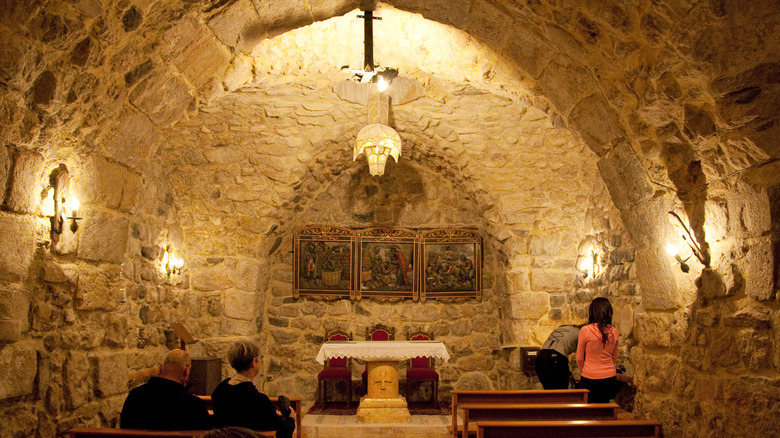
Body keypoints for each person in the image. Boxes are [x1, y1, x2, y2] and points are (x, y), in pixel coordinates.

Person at [211, 340, 295, 438]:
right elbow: (282, 431)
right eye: (260, 358)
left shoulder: (219, 392)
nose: (261, 361)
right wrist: (290, 420)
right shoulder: (259, 401)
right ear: (253, 362)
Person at [120, 349, 211, 430]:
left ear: (160, 368)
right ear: (186, 371)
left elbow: (124, 427)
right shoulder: (194, 405)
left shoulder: (135, 396)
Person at [576, 297, 620, 403]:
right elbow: (614, 357)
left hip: (589, 376)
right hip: (609, 377)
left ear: (592, 311)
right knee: (605, 409)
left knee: (590, 411)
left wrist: (586, 369)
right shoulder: (614, 331)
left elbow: (579, 358)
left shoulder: (585, 330)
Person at [535, 324, 582, 389]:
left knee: (549, 392)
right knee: (560, 393)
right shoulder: (581, 332)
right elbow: (582, 355)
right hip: (556, 358)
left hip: (540, 358)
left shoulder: (562, 328)